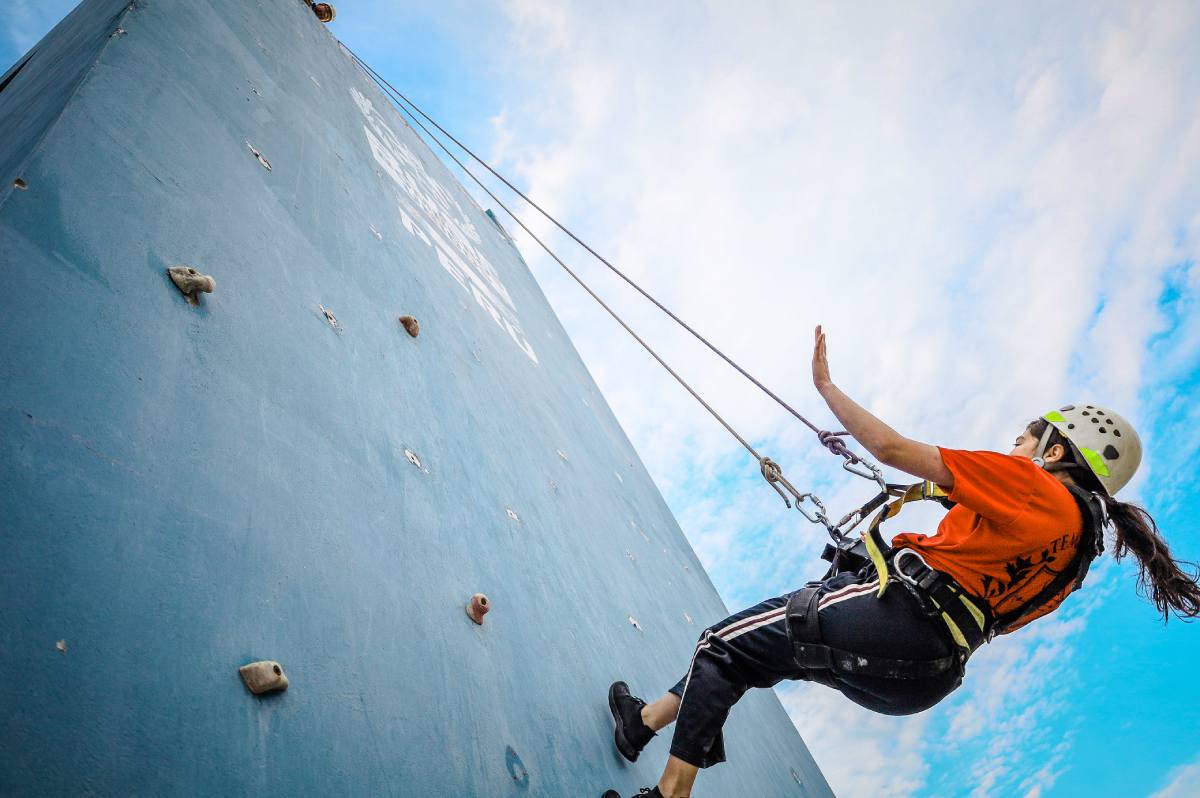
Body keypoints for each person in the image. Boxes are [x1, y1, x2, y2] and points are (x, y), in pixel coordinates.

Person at [607, 326, 1200, 798]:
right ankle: (641, 725)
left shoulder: (1032, 485)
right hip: (926, 675)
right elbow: (978, 591)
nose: (1013, 447)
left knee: (723, 644)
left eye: (1024, 439)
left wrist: (827, 390)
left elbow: (892, 449)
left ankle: (669, 794)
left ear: (1056, 450)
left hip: (897, 624)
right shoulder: (1072, 557)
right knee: (751, 652)